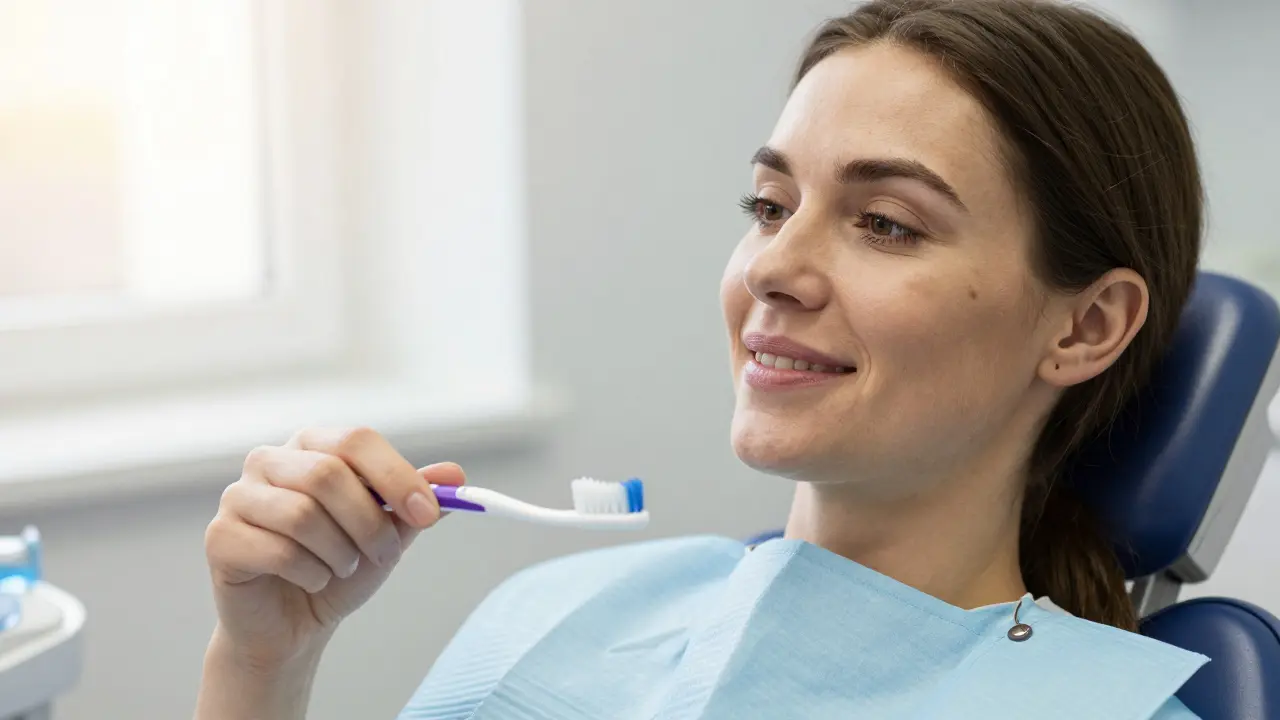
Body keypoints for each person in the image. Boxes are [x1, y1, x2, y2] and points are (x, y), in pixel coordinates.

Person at [194, 0, 1210, 717]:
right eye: (768, 207)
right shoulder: (565, 607)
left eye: (886, 224)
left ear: (1083, 328)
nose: (775, 266)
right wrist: (264, 660)